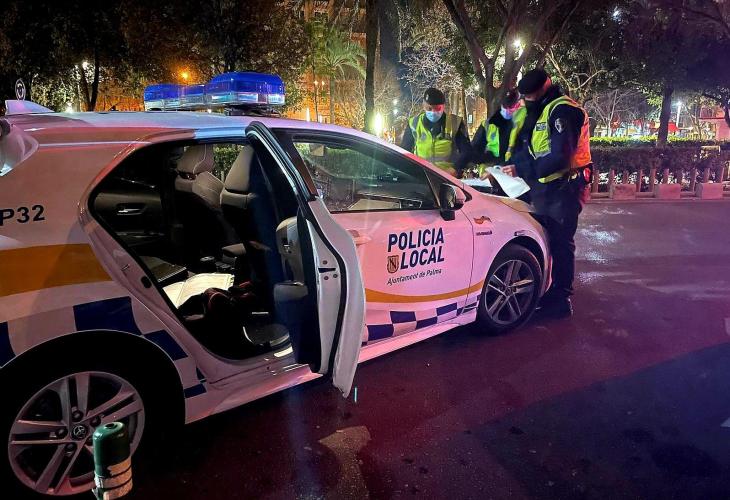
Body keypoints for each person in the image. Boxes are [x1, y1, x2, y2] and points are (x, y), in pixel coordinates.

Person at [501, 68, 592, 318]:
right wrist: (514, 166)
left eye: (530, 96)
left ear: (543, 89)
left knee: (561, 242)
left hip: (565, 188)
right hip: (547, 187)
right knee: (547, 239)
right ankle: (549, 290)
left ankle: (561, 299)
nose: (526, 101)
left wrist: (523, 169)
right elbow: (532, 148)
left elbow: (560, 156)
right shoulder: (543, 109)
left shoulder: (563, 110)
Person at [401, 87, 471, 177]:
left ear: (443, 106)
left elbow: (466, 152)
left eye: (437, 108)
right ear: (423, 105)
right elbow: (405, 151)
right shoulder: (414, 124)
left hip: (448, 178)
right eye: (429, 108)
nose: (433, 112)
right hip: (422, 177)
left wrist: (455, 169)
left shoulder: (455, 123)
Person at [471, 89, 521, 175]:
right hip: (489, 170)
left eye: (510, 107)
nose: (507, 110)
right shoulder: (487, 125)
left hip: (512, 171)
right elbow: (475, 149)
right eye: (505, 107)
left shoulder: (520, 123)